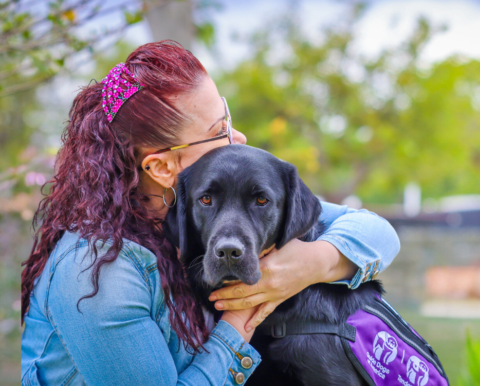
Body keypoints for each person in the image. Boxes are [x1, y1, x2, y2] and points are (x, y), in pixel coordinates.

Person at [20, 41, 400, 386]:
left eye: (228, 118)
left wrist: (312, 264)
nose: (240, 141)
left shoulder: (202, 198)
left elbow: (376, 232)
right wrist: (240, 319)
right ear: (163, 168)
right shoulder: (97, 276)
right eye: (220, 130)